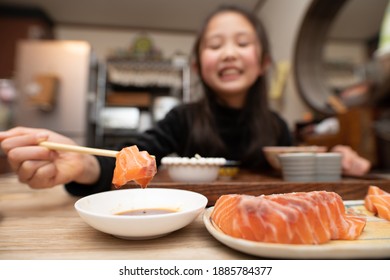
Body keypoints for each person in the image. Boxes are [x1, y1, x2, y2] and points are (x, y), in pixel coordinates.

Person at [0, 5, 370, 196]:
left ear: (264, 63)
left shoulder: (277, 126)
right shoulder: (181, 119)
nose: (228, 53)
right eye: (214, 45)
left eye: (242, 43)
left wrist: (337, 159)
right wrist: (84, 166)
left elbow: (295, 172)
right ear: (197, 65)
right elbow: (133, 159)